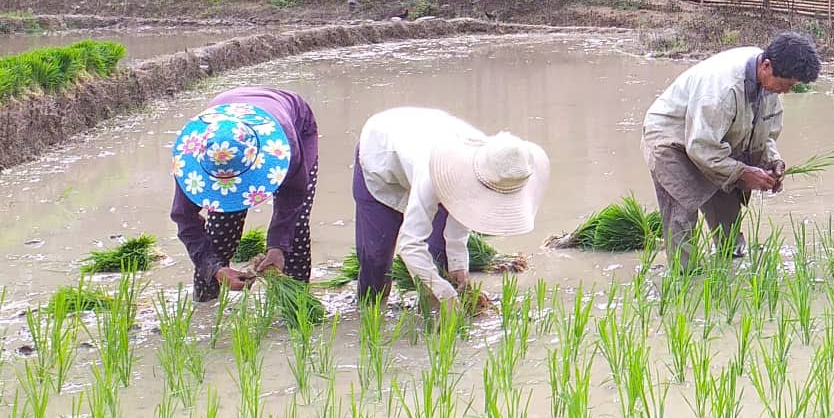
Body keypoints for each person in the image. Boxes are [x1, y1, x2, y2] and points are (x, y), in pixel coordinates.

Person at [644, 31, 820, 263]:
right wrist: (744, 172)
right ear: (766, 66)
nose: (786, 91)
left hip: (714, 138)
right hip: (672, 139)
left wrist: (773, 162)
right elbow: (701, 148)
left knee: (727, 208)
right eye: (786, 84)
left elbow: (764, 134)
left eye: (792, 86)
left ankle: (732, 263)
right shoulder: (722, 91)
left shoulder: (768, 83)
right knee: (682, 212)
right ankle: (685, 276)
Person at [352, 107, 549, 312]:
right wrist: (444, 293)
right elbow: (410, 244)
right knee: (375, 259)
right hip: (379, 157)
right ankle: (367, 313)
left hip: (420, 151)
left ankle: (429, 315)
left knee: (440, 256)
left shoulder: (499, 162)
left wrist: (458, 265)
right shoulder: (436, 170)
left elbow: (464, 215)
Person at [168, 88, 320, 302]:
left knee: (296, 226)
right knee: (220, 230)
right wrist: (216, 269)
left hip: (293, 125)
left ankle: (297, 302)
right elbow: (185, 219)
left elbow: (293, 196)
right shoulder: (191, 160)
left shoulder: (286, 145)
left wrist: (277, 247)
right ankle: (205, 301)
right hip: (228, 118)